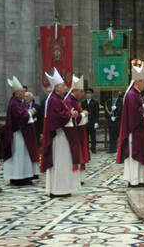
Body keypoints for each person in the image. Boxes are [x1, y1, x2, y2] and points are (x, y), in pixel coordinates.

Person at [41, 68, 81, 197]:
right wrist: (71, 114)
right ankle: (58, 189)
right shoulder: (54, 99)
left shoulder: (58, 98)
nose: (65, 87)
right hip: (59, 137)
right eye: (63, 85)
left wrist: (70, 114)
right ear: (56, 87)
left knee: (64, 162)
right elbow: (58, 118)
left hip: (63, 136)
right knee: (61, 162)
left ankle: (63, 188)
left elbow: (62, 114)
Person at [116, 60, 144, 187]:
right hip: (134, 132)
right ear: (137, 82)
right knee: (134, 155)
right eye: (143, 81)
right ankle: (134, 180)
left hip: (139, 131)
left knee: (139, 155)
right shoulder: (132, 95)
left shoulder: (136, 94)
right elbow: (133, 116)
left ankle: (139, 179)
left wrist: (143, 108)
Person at [2, 76, 39, 186]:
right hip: (18, 134)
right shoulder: (14, 103)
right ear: (17, 93)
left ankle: (25, 176)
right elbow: (21, 117)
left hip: (23, 133)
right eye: (22, 91)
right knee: (19, 155)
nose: (24, 93)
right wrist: (30, 113)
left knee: (24, 155)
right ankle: (17, 177)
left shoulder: (19, 102)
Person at [63, 75, 90, 184]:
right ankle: (76, 177)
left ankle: (79, 177)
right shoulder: (69, 101)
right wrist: (83, 114)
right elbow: (74, 118)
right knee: (76, 153)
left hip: (79, 132)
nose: (83, 94)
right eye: (81, 91)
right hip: (74, 133)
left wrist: (82, 113)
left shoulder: (75, 100)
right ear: (75, 90)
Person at [82, 88, 99, 154]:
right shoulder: (83, 102)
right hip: (85, 121)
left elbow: (97, 113)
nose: (88, 95)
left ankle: (93, 148)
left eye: (89, 93)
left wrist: (96, 122)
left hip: (92, 121)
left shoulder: (95, 102)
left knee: (93, 136)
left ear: (92, 94)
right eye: (87, 93)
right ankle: (86, 148)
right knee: (85, 136)